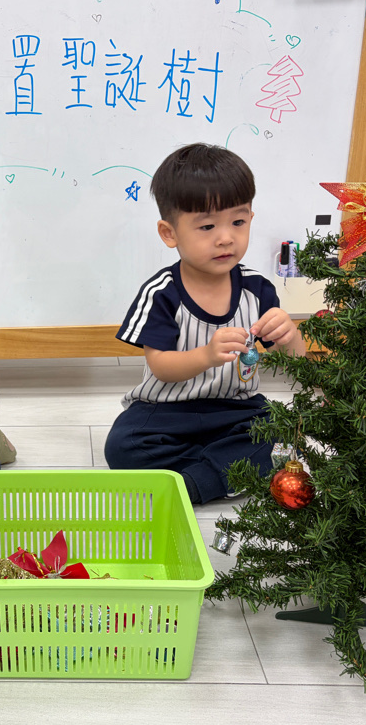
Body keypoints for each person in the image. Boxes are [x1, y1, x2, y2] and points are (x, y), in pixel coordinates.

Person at [104, 143, 305, 503]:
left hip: (237, 409)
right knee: (123, 446)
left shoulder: (257, 289)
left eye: (238, 222)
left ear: (250, 219)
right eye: (207, 226)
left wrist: (290, 336)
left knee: (282, 434)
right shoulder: (162, 293)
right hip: (166, 410)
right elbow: (161, 366)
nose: (226, 237)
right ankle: (218, 471)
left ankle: (191, 481)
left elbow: (296, 362)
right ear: (169, 233)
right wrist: (207, 355)